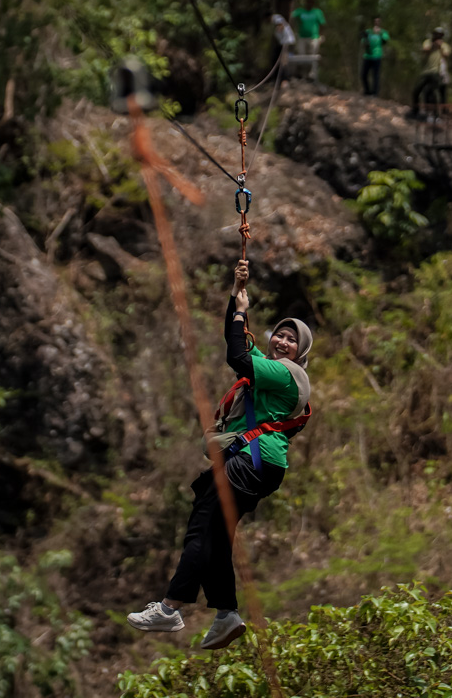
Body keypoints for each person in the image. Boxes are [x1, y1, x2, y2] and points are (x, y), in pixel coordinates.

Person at [127, 259, 313, 651]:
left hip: (253, 460)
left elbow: (237, 358)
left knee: (203, 526)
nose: (282, 342)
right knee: (213, 534)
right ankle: (226, 614)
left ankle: (170, 606)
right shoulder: (269, 367)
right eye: (279, 335)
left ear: (300, 352)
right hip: (252, 462)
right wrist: (236, 294)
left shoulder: (288, 374)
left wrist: (241, 312)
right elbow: (238, 340)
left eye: (290, 340)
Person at [413, 26, 452, 119]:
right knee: (417, 90)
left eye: (440, 35)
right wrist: (434, 45)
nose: (438, 37)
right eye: (436, 34)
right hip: (425, 71)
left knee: (436, 92)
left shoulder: (444, 45)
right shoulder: (428, 42)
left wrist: (440, 47)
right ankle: (416, 111)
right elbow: (425, 50)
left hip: (437, 72)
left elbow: (446, 54)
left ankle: (437, 114)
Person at [290, 0, 326, 80]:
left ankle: (313, 75)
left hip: (314, 37)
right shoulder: (300, 11)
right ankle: (303, 74)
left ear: (313, 3)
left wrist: (322, 36)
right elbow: (291, 16)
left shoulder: (317, 12)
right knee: (301, 56)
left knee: (313, 56)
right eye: (308, 2)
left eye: (311, 2)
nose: (309, 4)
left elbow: (322, 24)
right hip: (302, 37)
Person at [360, 17, 390, 96]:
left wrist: (379, 33)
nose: (377, 23)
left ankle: (375, 93)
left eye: (378, 21)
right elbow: (363, 43)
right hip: (367, 56)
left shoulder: (383, 32)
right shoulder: (368, 32)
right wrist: (365, 39)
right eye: (375, 21)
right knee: (363, 75)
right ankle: (367, 91)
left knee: (375, 75)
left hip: (377, 56)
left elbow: (385, 40)